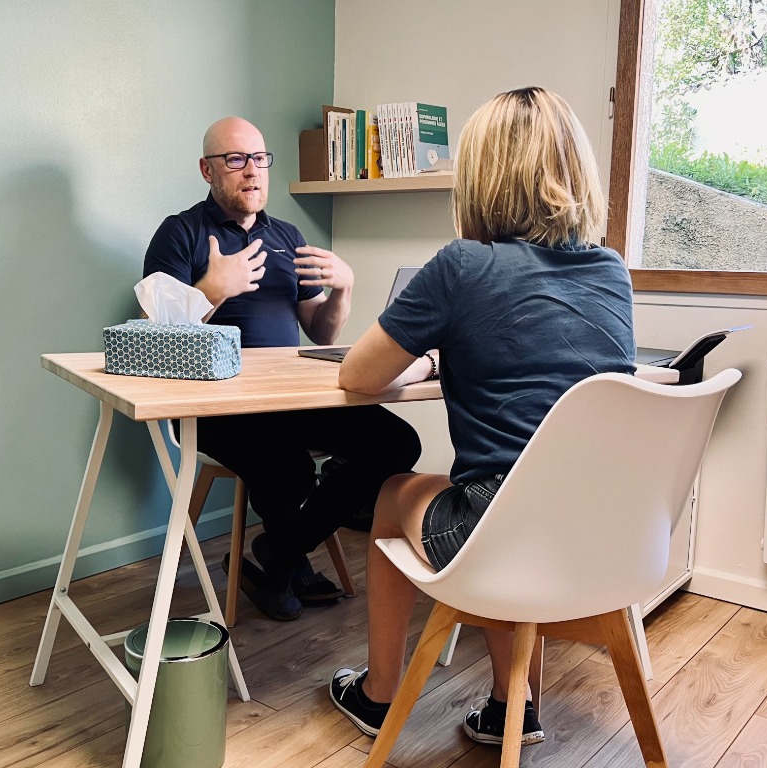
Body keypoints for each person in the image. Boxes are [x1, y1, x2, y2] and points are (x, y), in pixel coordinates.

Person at [328, 87, 636, 747]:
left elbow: (355, 374)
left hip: (503, 539)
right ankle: (511, 706)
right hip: (607, 538)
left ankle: (379, 695)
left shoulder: (462, 265)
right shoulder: (611, 271)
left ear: (482, 180)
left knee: (397, 493)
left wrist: (434, 356)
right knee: (508, 492)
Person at [143, 116, 422, 622]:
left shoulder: (288, 237)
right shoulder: (180, 233)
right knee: (289, 467)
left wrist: (344, 289)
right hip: (217, 407)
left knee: (398, 443)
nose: (252, 171)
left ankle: (280, 555)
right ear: (207, 170)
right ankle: (287, 564)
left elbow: (323, 333)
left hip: (293, 398)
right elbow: (155, 334)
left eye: (260, 159)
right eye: (236, 159)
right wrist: (211, 290)